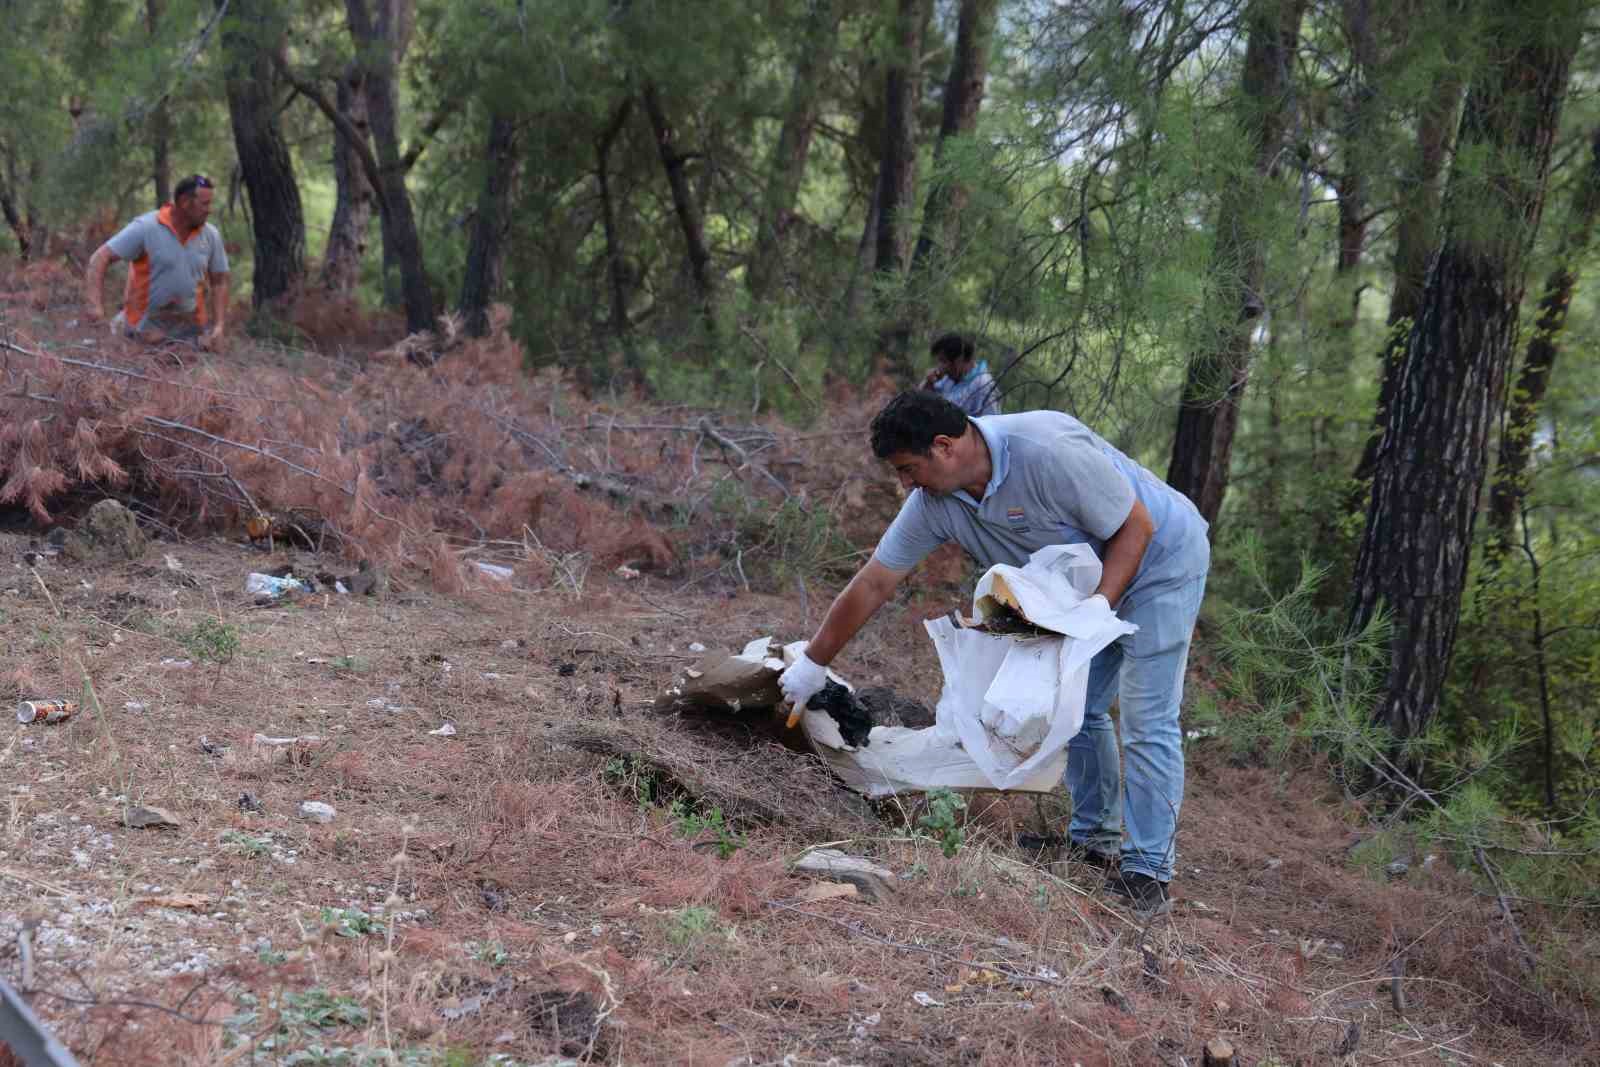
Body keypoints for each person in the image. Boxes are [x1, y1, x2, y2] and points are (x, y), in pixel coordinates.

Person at [779, 390, 1209, 915]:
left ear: (944, 447)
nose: (905, 484)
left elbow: (1136, 526)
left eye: (909, 469)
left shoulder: (1045, 448)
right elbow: (874, 582)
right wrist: (813, 662)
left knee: (1146, 717)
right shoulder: (934, 505)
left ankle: (1147, 871)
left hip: (1161, 561)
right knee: (1080, 710)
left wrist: (1098, 608)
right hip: (1084, 583)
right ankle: (1095, 840)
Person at [84, 173, 229, 349]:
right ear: (184, 202)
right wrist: (95, 308)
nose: (209, 209)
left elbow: (220, 282)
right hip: (140, 337)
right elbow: (100, 258)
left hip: (189, 339)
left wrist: (219, 326)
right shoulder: (146, 227)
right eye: (204, 204)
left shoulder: (211, 235)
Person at [920, 332, 1001, 417]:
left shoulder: (983, 385)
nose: (940, 367)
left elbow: (991, 423)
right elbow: (922, 402)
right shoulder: (946, 378)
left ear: (959, 360)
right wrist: (929, 383)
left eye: (943, 361)